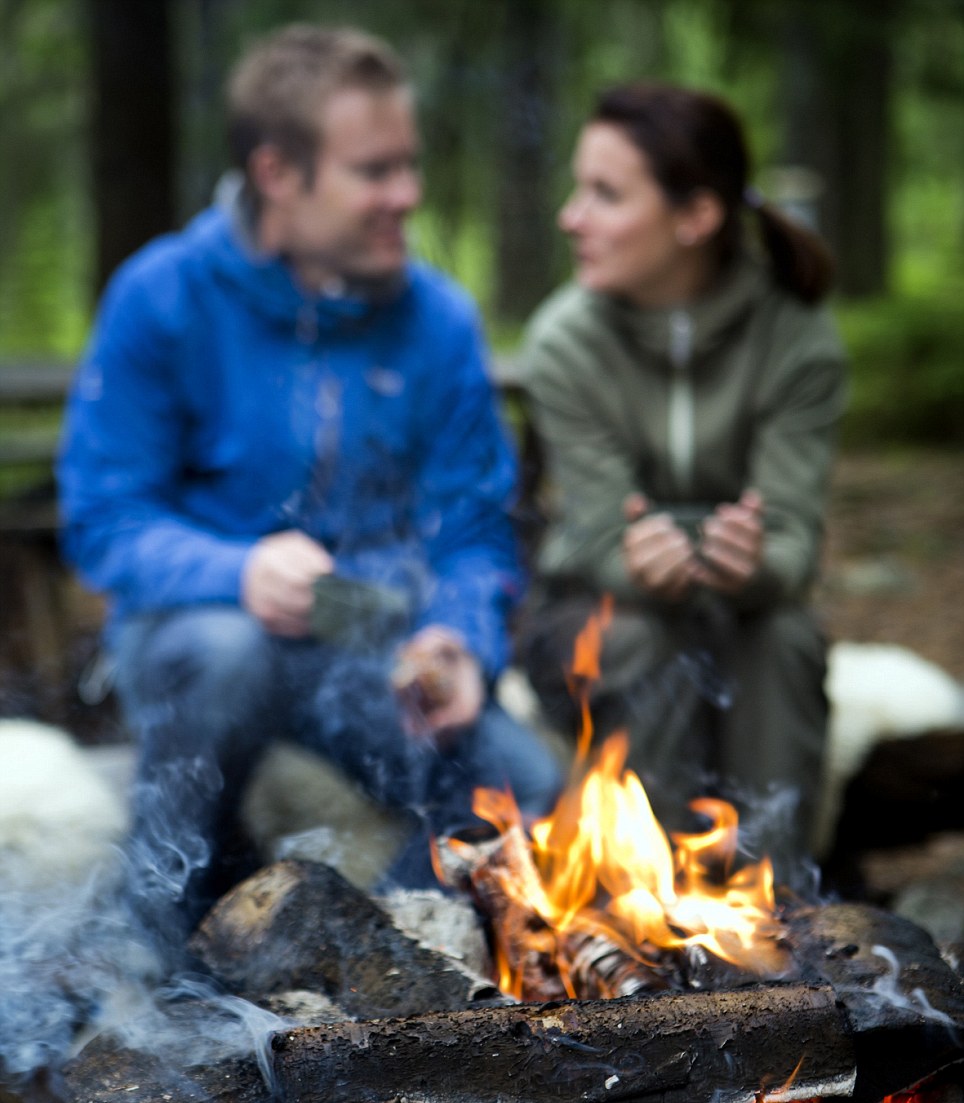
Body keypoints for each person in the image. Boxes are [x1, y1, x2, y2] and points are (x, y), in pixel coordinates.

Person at [58, 24, 560, 939]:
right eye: (375, 171)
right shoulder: (163, 296)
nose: (406, 195)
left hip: (371, 646)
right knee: (228, 650)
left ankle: (372, 959)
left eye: (408, 166)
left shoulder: (438, 321)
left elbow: (475, 531)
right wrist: (237, 571)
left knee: (525, 784)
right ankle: (154, 952)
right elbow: (104, 522)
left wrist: (460, 637)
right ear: (278, 174)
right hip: (199, 638)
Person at [520, 82, 847, 880]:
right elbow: (597, 533)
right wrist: (635, 559)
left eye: (604, 194)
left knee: (784, 639)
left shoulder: (796, 340)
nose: (572, 216)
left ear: (695, 217)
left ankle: (775, 905)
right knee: (643, 638)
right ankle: (648, 909)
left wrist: (755, 562)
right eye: (577, 188)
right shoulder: (564, 342)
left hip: (745, 617)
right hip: (593, 616)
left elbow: (793, 539)